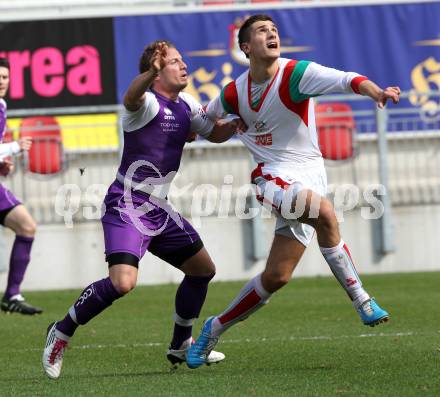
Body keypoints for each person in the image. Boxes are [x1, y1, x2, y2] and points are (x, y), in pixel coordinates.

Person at [187, 14, 401, 369]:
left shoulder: (297, 74)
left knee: (277, 277)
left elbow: (348, 80)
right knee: (327, 215)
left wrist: (376, 91)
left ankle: (213, 328)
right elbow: (204, 122)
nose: (272, 34)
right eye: (262, 31)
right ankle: (362, 301)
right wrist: (214, 127)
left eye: (274, 29)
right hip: (271, 179)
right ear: (245, 47)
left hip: (311, 177)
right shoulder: (233, 92)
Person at [42, 40, 246, 379]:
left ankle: (181, 344)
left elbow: (215, 134)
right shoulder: (146, 103)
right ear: (155, 73)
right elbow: (130, 98)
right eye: (174, 62)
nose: (184, 66)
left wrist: (241, 120)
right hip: (127, 203)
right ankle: (60, 332)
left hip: (158, 208)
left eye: (183, 60)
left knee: (202, 270)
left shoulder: (187, 106)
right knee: (122, 283)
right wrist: (147, 73)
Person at [0, 57, 41, 315]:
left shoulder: (2, 105)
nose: (1, 81)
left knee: (26, 226)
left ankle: (12, 295)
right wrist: (15, 148)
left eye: (4, 77)